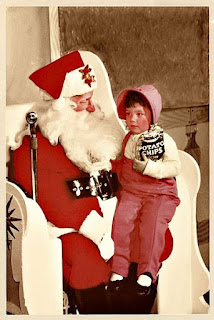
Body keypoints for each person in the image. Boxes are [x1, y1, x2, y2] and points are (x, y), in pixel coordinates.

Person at [10, 51, 125, 314]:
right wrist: (100, 232)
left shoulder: (95, 133)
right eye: (78, 100)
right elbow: (57, 204)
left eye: (89, 99)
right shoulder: (33, 147)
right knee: (88, 261)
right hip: (69, 227)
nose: (87, 106)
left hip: (110, 213)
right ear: (58, 103)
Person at [109, 85, 181, 296]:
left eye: (139, 114)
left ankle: (148, 271)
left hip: (159, 192)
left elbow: (175, 166)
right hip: (132, 190)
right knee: (121, 220)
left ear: (151, 115)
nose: (132, 119)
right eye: (129, 114)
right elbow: (122, 163)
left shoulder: (162, 140)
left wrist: (151, 168)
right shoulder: (128, 139)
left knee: (152, 223)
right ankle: (119, 268)